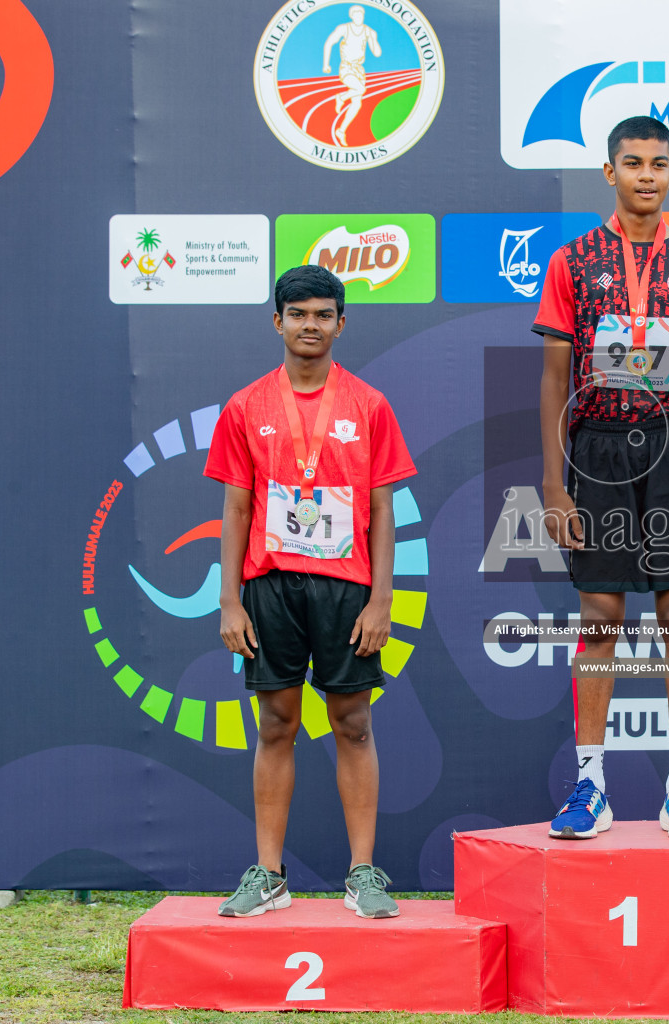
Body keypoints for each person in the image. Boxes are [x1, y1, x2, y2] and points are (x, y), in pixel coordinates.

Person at [533, 115, 669, 840]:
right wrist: (555, 486)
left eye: (658, 163)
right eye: (632, 163)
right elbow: (554, 376)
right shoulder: (575, 260)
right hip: (597, 448)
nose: (646, 175)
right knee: (600, 621)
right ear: (609, 172)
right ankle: (590, 785)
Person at [204, 264, 416, 918]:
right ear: (277, 322)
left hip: (347, 589)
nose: (310, 326)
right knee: (276, 724)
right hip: (270, 587)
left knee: (352, 723)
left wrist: (382, 599)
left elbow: (383, 510)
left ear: (341, 324)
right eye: (298, 315)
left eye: (323, 315)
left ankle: (363, 874)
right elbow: (236, 510)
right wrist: (230, 600)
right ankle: (268, 874)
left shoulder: (369, 404)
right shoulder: (246, 407)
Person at [322, 5, 381, 146]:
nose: (359, 17)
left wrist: (373, 38)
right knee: (360, 89)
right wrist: (326, 64)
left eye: (361, 14)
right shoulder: (344, 28)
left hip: (359, 70)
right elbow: (329, 43)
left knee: (357, 104)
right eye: (356, 14)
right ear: (352, 16)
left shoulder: (368, 31)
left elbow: (377, 53)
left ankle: (341, 131)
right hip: (346, 67)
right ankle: (341, 97)